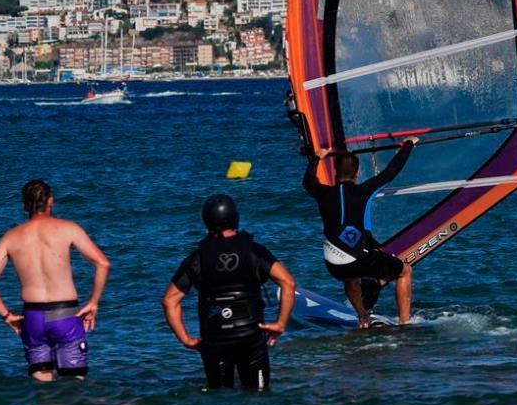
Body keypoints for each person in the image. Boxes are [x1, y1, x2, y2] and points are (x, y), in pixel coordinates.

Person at [0, 180, 111, 382]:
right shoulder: (68, 228)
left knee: (42, 390)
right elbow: (103, 263)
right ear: (51, 201)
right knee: (73, 386)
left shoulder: (10, 237)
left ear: (24, 205)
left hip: (32, 319)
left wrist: (6, 315)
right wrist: (93, 303)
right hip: (65, 315)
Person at [162, 194, 296, 391]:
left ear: (206, 220)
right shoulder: (254, 250)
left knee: (219, 396)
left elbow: (169, 301)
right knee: (258, 395)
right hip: (250, 337)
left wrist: (186, 339)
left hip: (214, 340)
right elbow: (288, 282)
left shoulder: (197, 257)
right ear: (235, 217)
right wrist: (280, 323)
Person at [303, 138, 417, 326]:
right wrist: (408, 146)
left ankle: (363, 317)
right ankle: (405, 323)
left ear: (335, 171)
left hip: (332, 261)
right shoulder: (364, 190)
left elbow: (308, 181)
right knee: (404, 271)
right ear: (357, 173)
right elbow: (390, 172)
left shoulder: (322, 193)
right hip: (357, 258)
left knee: (350, 277)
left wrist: (317, 158)